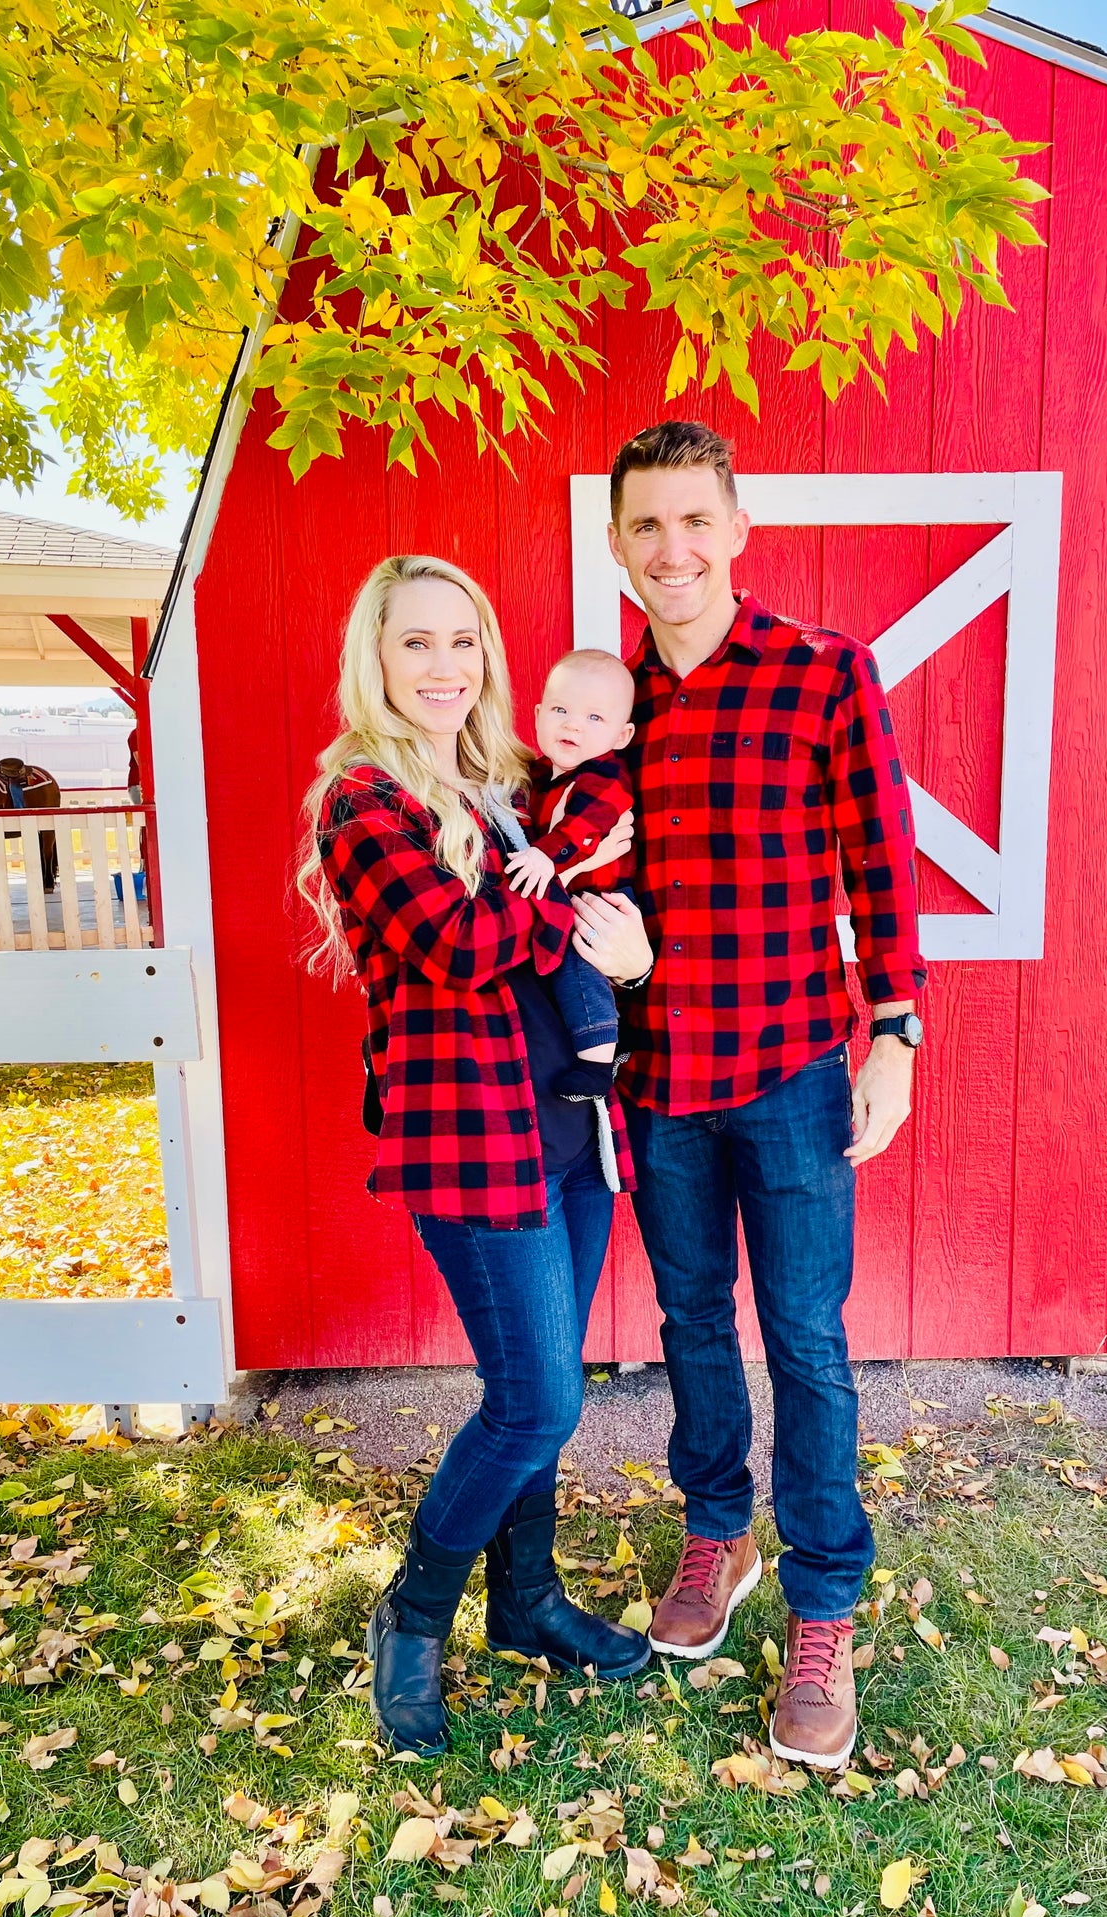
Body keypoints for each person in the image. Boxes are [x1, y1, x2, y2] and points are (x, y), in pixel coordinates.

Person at [580, 420, 927, 1771]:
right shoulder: (613, 711)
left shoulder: (822, 672)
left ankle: (824, 1606)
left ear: (736, 531)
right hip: (659, 1083)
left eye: (692, 521)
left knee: (807, 1340)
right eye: (646, 527)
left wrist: (894, 1025)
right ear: (618, 545)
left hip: (787, 1071)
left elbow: (881, 860)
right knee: (689, 1324)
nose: (672, 548)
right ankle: (715, 1533)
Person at [295, 554, 656, 1757]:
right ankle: (415, 1611)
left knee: (540, 1401)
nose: (445, 664)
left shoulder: (505, 784)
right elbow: (460, 942)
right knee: (539, 1396)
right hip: (470, 1139)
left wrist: (631, 943)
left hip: (565, 1133)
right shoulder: (366, 799)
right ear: (377, 656)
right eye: (417, 642)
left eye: (464, 641)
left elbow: (611, 879)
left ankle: (531, 1601)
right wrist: (582, 910)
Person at [503, 648, 637, 1102]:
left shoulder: (604, 778)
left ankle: (597, 1063)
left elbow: (587, 829)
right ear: (538, 714)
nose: (573, 725)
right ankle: (610, 1041)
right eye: (560, 710)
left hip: (604, 897)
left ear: (622, 735)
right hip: (571, 891)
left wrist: (546, 857)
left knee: (576, 964)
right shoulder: (539, 774)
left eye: (594, 718)